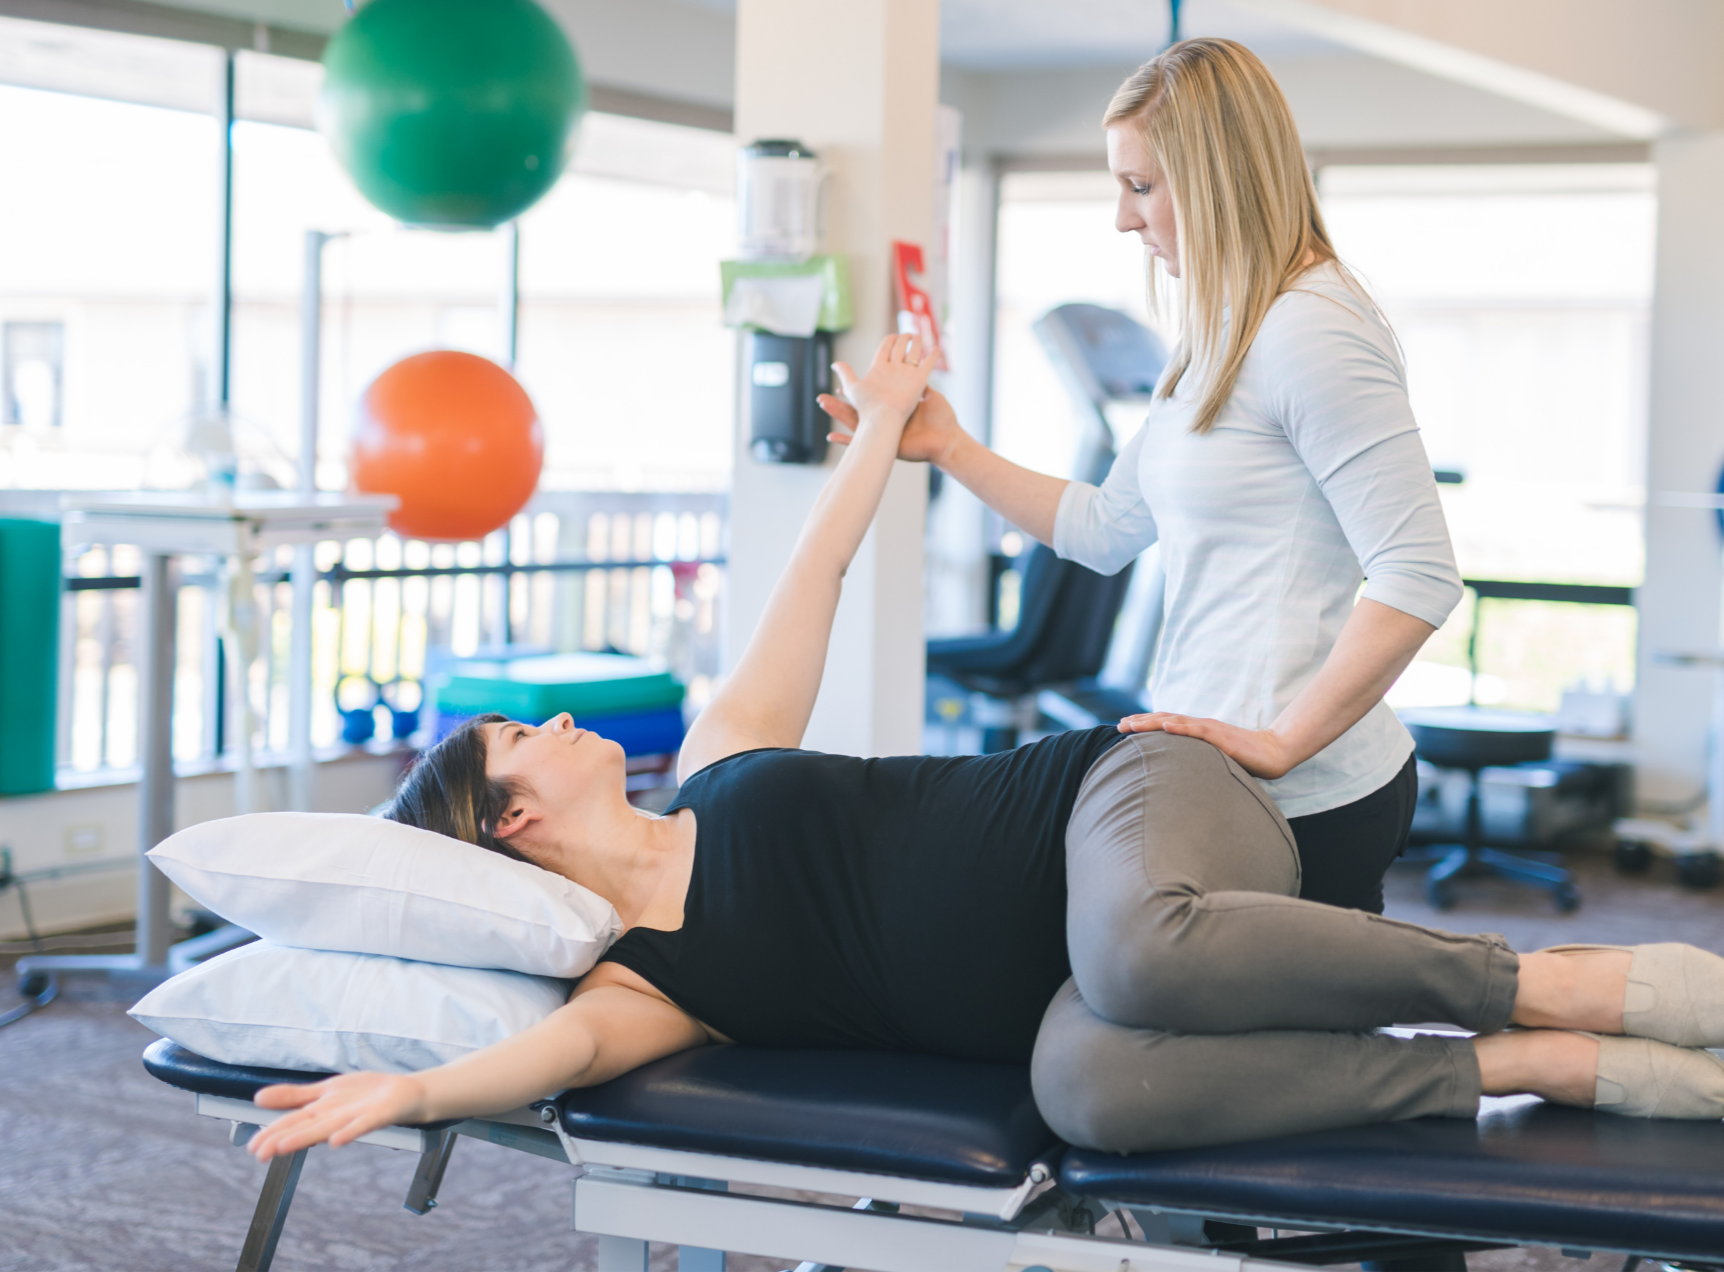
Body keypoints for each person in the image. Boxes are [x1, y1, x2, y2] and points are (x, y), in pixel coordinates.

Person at [246, 330, 1724, 1164]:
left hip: (1123, 796)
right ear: (508, 824)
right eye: (527, 734)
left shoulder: (718, 762)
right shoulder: (649, 987)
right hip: (1076, 991)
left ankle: (1551, 982)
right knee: (1094, 1093)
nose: (565, 722)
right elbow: (549, 1054)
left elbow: (809, 577)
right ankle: (1532, 1060)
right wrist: (407, 1092)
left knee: (1143, 950)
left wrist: (894, 428)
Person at [820, 38, 1458, 918]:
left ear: (1220, 177)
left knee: (1267, 1046)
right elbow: (1107, 528)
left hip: (1306, 795)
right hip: (1217, 774)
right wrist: (950, 446)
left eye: (1144, 186)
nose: (1125, 219)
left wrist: (1279, 743)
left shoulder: (1313, 332)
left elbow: (1418, 575)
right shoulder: (1219, 332)